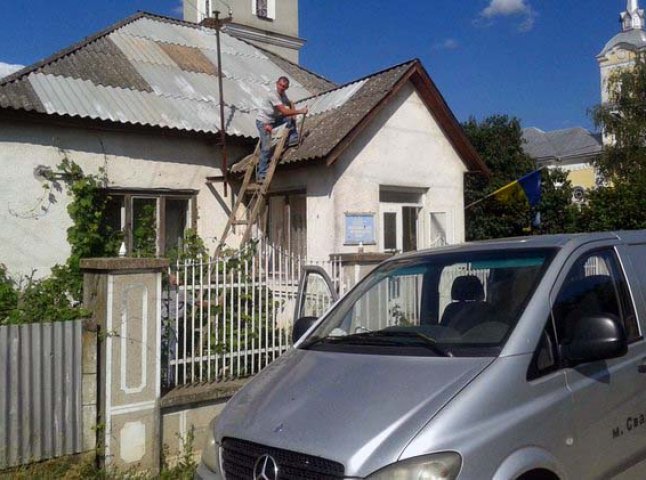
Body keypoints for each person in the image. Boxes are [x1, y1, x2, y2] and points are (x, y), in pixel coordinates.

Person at [255, 76, 308, 182]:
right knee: (266, 147)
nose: (282, 88)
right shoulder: (273, 95)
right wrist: (300, 111)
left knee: (289, 118)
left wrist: (293, 109)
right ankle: (261, 174)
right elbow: (284, 111)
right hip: (263, 122)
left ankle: (293, 137)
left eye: (284, 87)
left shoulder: (283, 95)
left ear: (286, 88)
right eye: (280, 85)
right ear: (276, 84)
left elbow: (289, 103)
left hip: (272, 120)